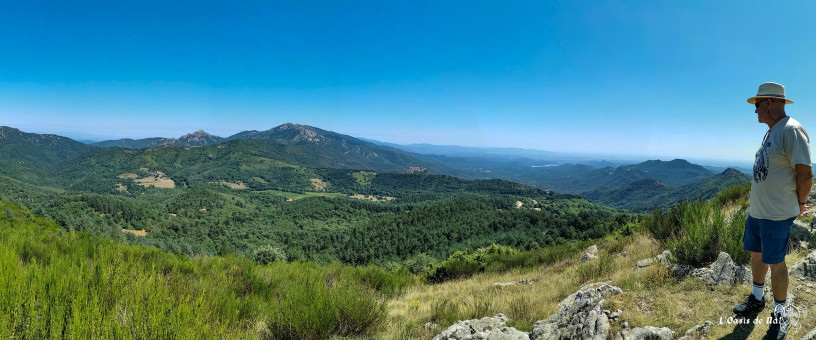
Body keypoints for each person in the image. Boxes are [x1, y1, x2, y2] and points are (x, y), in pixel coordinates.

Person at [733, 82, 812, 339]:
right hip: (758, 213)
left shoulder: (791, 130)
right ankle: (757, 297)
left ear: (769, 103)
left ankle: (780, 312)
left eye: (757, 105)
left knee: (776, 263)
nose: (755, 111)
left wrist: (799, 204)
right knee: (757, 255)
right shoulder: (771, 132)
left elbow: (805, 172)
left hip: (777, 214)